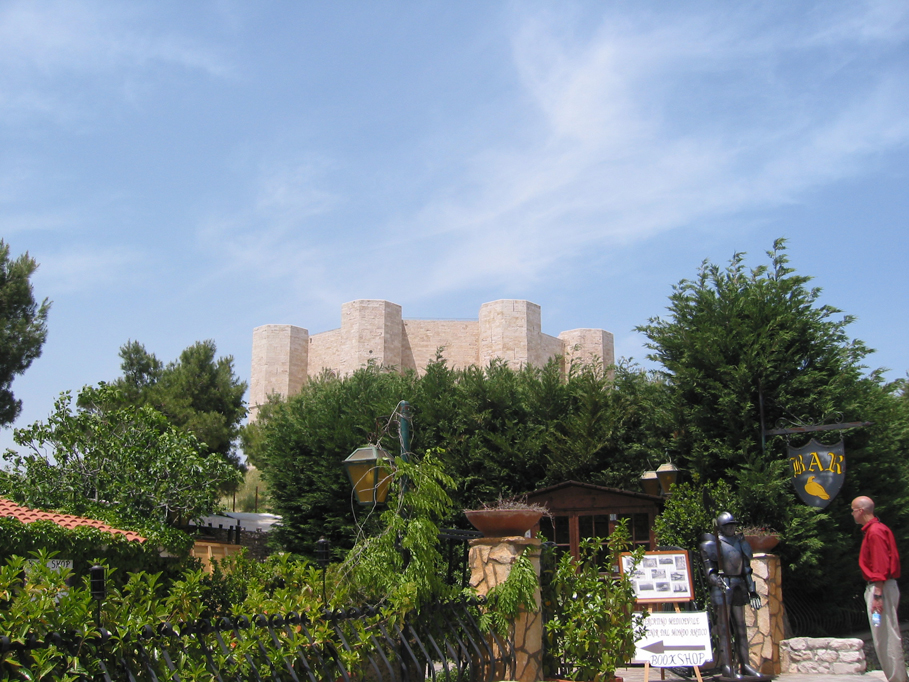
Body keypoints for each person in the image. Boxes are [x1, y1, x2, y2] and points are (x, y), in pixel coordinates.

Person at [700, 512, 764, 679]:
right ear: (721, 528)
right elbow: (710, 572)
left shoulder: (739, 542)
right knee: (724, 627)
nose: (731, 528)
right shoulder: (712, 544)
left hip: (738, 585)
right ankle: (727, 666)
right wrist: (717, 581)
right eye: (728, 526)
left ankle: (746, 664)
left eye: (733, 525)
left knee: (741, 627)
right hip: (723, 585)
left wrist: (752, 590)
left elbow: (746, 569)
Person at [852, 496, 908, 682]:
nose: (852, 514)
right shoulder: (877, 529)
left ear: (861, 511)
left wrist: (878, 595)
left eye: (853, 510)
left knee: (886, 637)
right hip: (881, 588)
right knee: (882, 635)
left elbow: (880, 565)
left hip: (880, 589)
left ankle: (897, 679)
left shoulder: (875, 532)